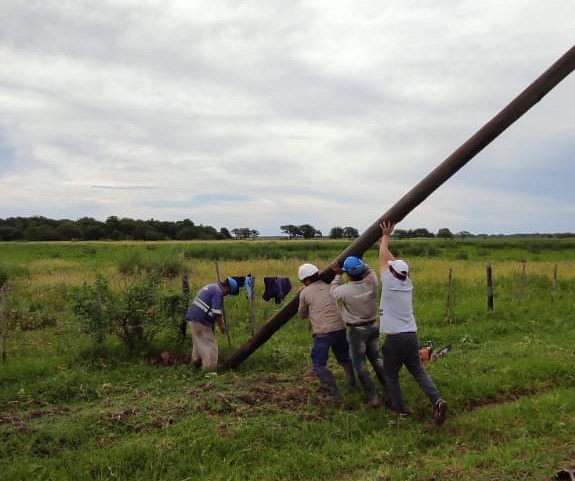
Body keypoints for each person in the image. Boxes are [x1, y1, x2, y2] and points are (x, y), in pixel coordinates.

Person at [378, 220, 447, 424]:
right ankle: (437, 400)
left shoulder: (389, 282)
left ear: (392, 274)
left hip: (395, 339)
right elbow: (389, 260)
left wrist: (386, 235)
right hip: (411, 336)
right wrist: (384, 244)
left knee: (391, 375)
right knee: (418, 371)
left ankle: (401, 412)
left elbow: (383, 259)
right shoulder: (407, 283)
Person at [330, 256, 389, 408]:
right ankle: (391, 390)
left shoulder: (344, 291)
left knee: (360, 365)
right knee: (377, 360)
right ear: (362, 271)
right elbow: (369, 270)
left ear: (347, 274)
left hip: (357, 331)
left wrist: (337, 273)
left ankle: (373, 398)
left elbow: (333, 290)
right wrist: (361, 263)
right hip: (373, 326)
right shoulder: (372, 282)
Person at [297, 263, 357, 401]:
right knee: (345, 358)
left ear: (306, 281)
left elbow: (301, 315)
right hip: (339, 328)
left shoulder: (305, 293)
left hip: (323, 332)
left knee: (318, 364)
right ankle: (352, 385)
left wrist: (302, 296)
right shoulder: (329, 286)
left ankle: (332, 392)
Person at [184, 277, 239, 369]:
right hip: (201, 320)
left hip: (193, 319)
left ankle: (195, 364)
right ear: (227, 288)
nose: (226, 295)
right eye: (228, 293)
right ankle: (210, 369)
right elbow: (216, 311)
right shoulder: (218, 292)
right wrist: (221, 326)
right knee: (210, 345)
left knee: (199, 344)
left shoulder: (212, 287)